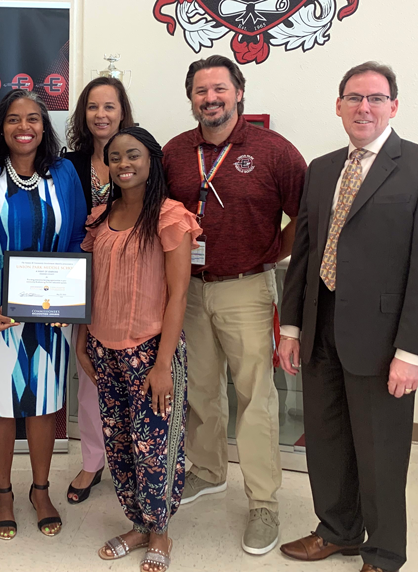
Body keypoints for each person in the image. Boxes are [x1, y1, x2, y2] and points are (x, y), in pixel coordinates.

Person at [278, 62, 418, 572]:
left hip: (385, 342)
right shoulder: (322, 167)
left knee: (380, 452)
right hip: (320, 328)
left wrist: (413, 352)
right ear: (338, 106)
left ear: (394, 107)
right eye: (354, 98)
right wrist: (291, 327)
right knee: (328, 440)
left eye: (376, 99)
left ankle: (383, 552)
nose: (365, 107)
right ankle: (337, 530)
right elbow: (307, 254)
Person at [162, 54, 306, 555]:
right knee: (200, 388)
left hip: (246, 288)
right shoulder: (176, 152)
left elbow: (305, 216)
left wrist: (273, 251)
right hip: (190, 290)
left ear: (239, 92)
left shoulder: (273, 151)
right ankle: (207, 469)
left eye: (220, 89)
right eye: (201, 91)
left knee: (255, 397)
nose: (211, 99)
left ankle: (264, 502)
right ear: (191, 98)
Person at [0, 89, 87, 540]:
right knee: (0, 405)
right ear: (1, 126)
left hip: (50, 315)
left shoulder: (65, 172)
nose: (24, 126)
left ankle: (39, 489)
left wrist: (69, 306)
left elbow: (74, 240)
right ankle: (2, 493)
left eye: (33, 118)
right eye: (14, 119)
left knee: (45, 404)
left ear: (44, 126)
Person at [81, 126, 199, 572]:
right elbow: (89, 287)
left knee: (156, 448)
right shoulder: (100, 218)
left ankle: (161, 532)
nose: (124, 163)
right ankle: (137, 523)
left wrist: (164, 364)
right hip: (104, 349)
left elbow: (179, 295)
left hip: (152, 352)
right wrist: (82, 342)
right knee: (120, 444)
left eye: (133, 155)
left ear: (151, 161)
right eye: (115, 157)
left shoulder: (170, 217)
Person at [63, 77, 135, 504]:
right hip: (80, 284)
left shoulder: (143, 156)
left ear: (123, 111)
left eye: (110, 106)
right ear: (83, 115)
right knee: (90, 373)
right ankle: (93, 460)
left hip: (133, 284)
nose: (101, 114)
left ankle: (132, 457)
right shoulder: (67, 165)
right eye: (93, 107)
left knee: (135, 375)